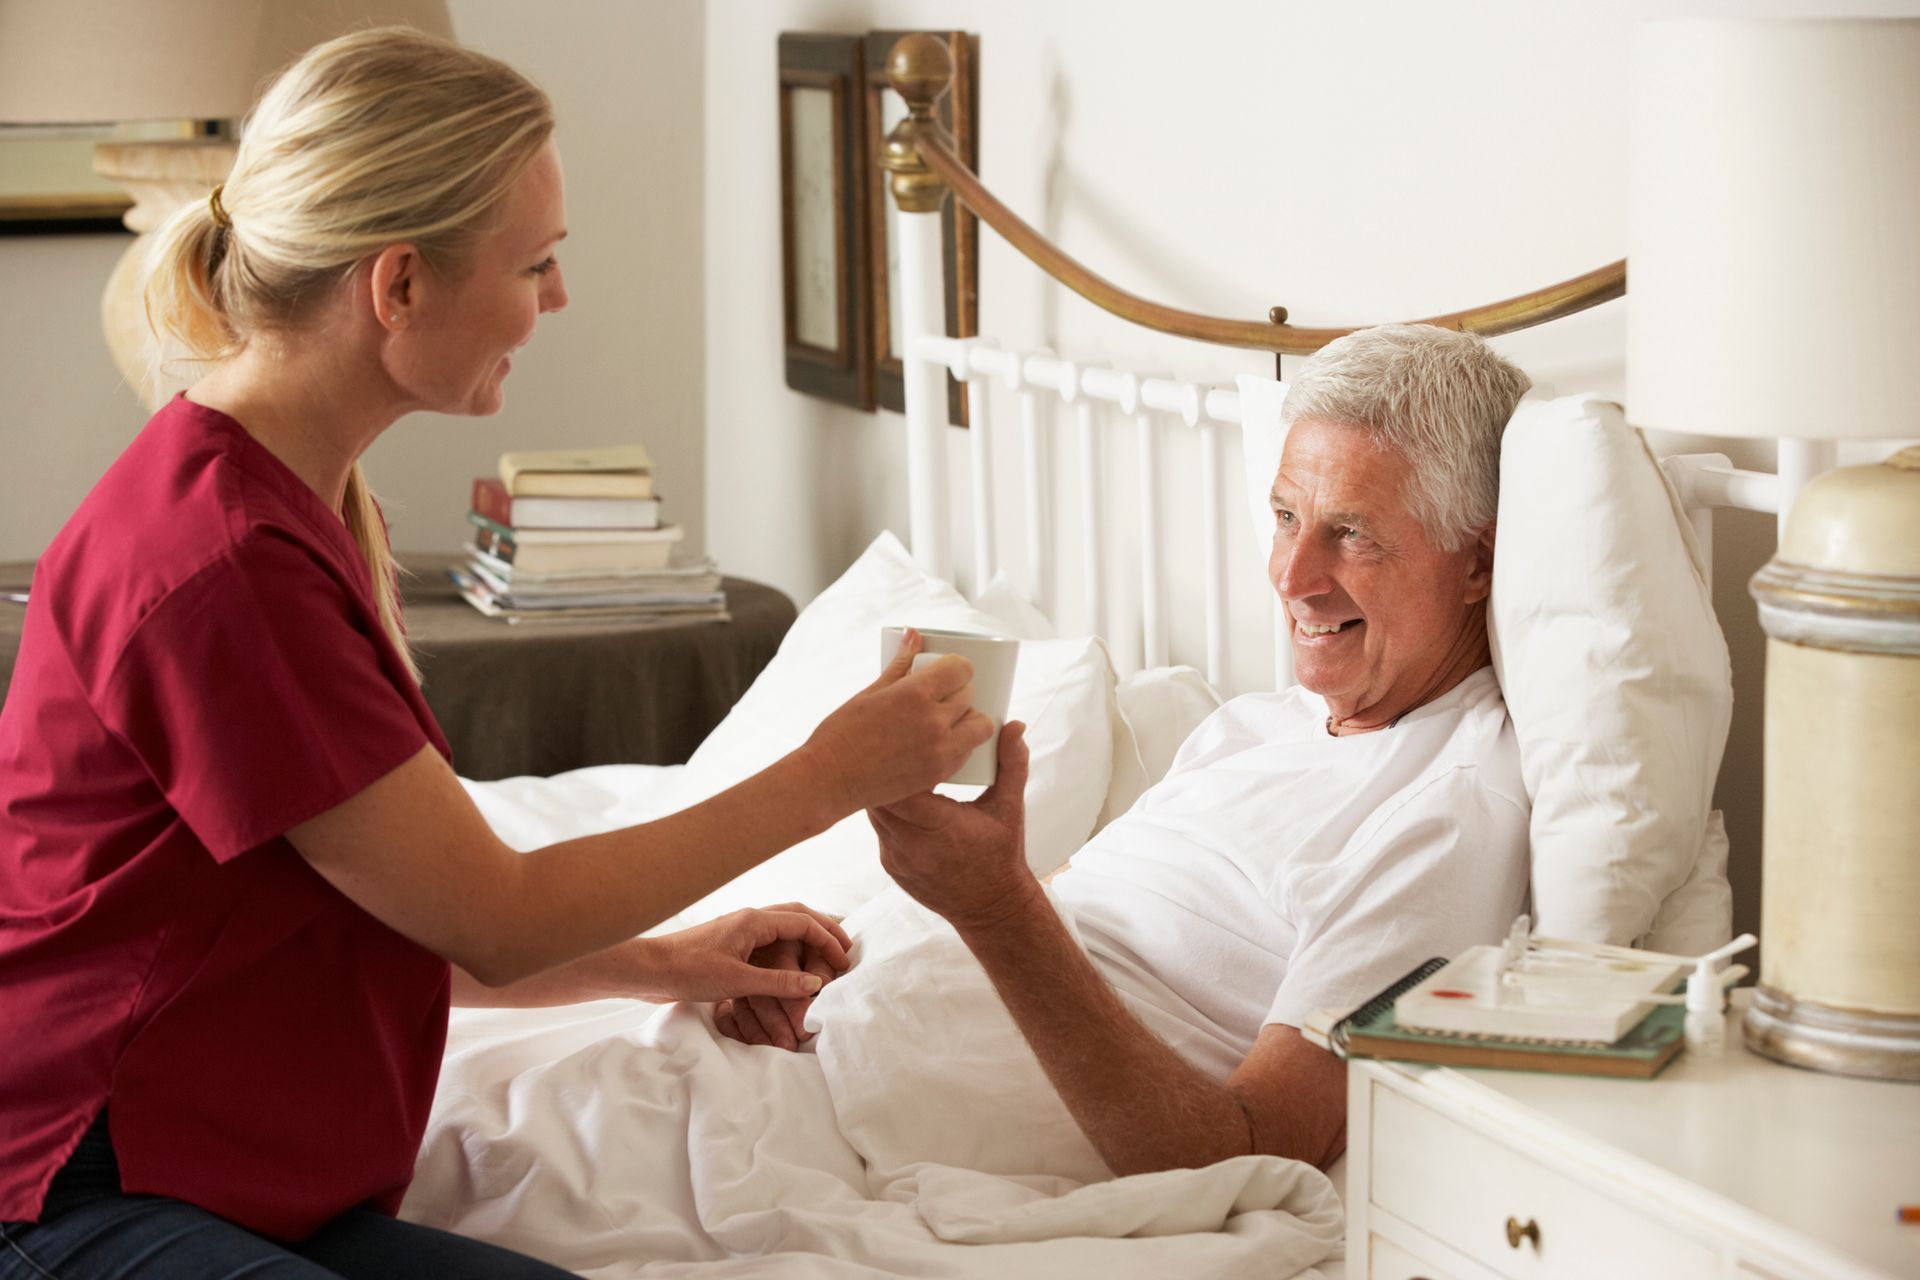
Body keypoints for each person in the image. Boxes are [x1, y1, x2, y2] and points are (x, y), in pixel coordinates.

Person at [0, 28, 990, 1280]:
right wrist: (829, 773)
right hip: (80, 1184)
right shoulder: (226, 560)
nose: (557, 299)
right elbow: (495, 915)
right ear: (397, 284)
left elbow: (394, 903)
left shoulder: (283, 495)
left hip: (217, 1174)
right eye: (536, 263)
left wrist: (667, 960)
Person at [719, 323, 1537, 1177]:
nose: (1292, 578)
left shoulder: (1446, 815)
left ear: (1475, 563)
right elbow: (1074, 923)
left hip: (862, 1131)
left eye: (1353, 534)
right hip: (811, 1043)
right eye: (1287, 517)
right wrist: (833, 957)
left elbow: (1248, 1155)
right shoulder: (1251, 727)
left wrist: (995, 905)